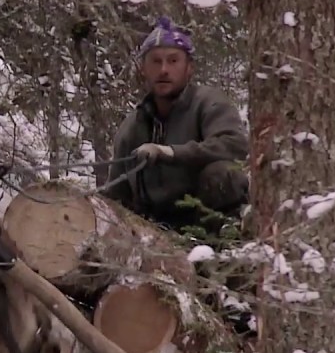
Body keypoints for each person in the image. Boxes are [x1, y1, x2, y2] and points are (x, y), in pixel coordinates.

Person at [105, 17, 250, 238]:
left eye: (173, 61)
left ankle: (219, 251)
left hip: (208, 222)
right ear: (143, 69)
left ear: (189, 68)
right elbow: (117, 194)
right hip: (155, 230)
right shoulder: (133, 125)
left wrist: (171, 153)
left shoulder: (209, 103)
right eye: (155, 61)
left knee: (221, 173)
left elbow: (234, 145)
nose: (163, 70)